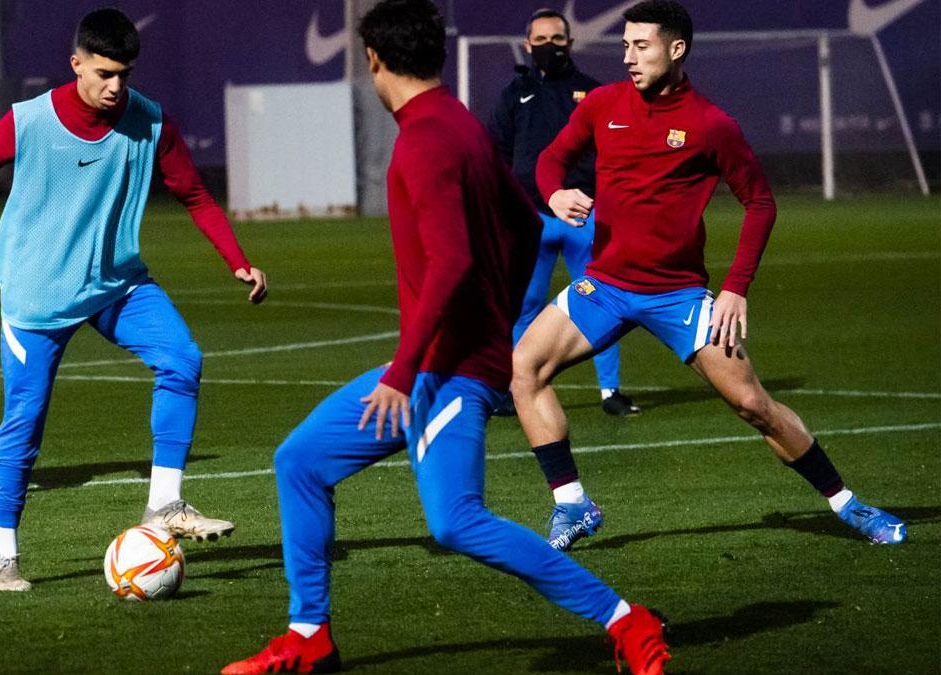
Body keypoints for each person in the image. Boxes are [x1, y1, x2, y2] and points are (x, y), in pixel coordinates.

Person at [222, 2, 669, 674]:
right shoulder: (455, 122)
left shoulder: (426, 142)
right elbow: (525, 224)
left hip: (450, 369)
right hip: (440, 361)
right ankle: (309, 635)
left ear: (373, 59)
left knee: (456, 520)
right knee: (301, 461)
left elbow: (454, 261)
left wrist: (407, 370)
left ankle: (628, 621)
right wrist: (488, 320)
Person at [0, 8, 268, 592]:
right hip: (38, 294)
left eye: (125, 73)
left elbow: (194, 193)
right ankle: (3, 557)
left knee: (182, 358)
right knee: (25, 425)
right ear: (76, 65)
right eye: (104, 73)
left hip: (115, 282)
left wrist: (236, 259)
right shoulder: (29, 122)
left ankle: (164, 504)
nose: (116, 86)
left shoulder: (150, 122)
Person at [514, 0, 906, 551]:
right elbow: (551, 158)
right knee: (524, 368)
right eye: (625, 45)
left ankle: (849, 505)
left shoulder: (710, 124)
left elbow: (760, 203)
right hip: (603, 286)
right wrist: (554, 191)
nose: (628, 56)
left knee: (754, 406)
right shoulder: (602, 105)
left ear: (676, 50)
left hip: (677, 296)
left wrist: (735, 289)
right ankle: (572, 504)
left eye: (641, 45)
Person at [487, 7, 639, 418]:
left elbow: (615, 153)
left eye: (557, 39)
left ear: (570, 43)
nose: (549, 47)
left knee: (601, 302)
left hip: (583, 216)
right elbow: (496, 153)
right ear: (527, 45)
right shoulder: (514, 94)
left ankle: (611, 392)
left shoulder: (594, 94)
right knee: (524, 307)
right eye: (541, 41)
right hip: (529, 220)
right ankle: (518, 389)